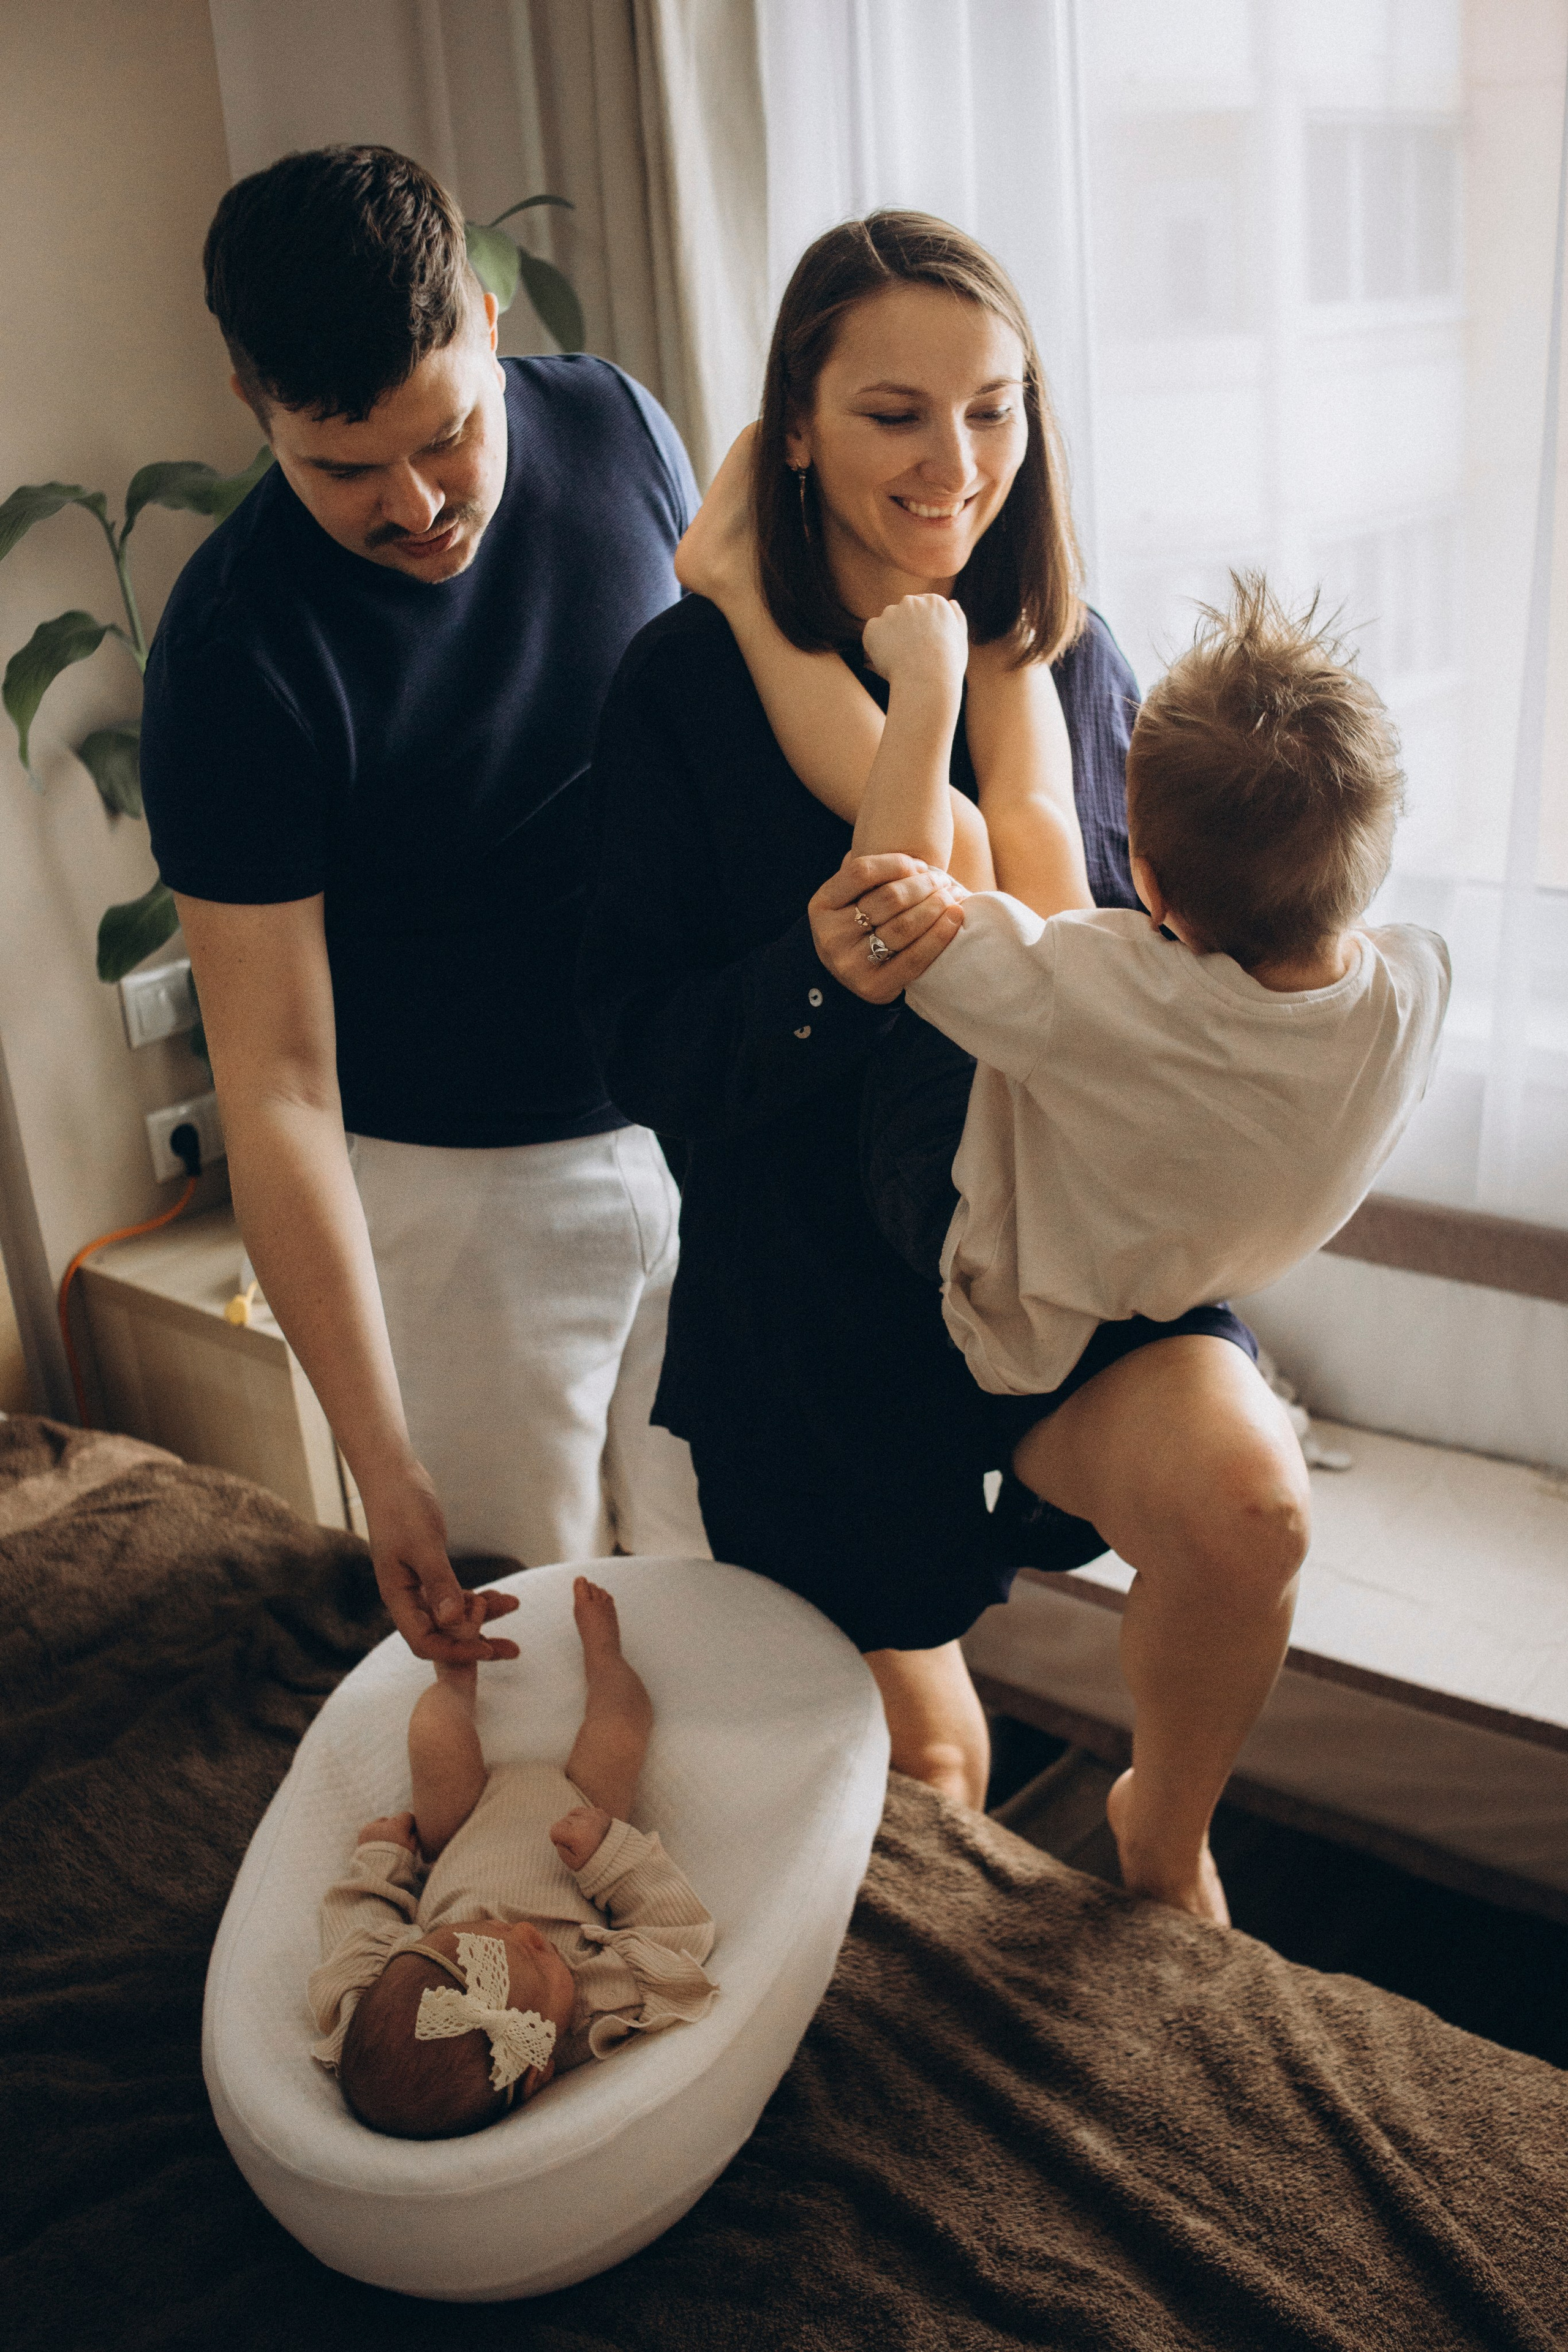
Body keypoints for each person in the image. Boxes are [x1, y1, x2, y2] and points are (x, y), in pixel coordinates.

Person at [580, 211, 1215, 1844]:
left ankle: (1170, 1837)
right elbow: (641, 1049)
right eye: (894, 414)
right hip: (813, 1309)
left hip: (1055, 1246)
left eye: (994, 407)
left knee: (1253, 1500)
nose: (957, 460)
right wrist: (809, 978)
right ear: (796, 421)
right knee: (928, 1773)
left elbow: (1081, 933)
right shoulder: (676, 689)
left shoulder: (1073, 662)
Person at [777, 575, 1449, 1921]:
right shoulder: (1412, 986)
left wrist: (923, 683)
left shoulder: (1110, 997)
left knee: (962, 837)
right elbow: (1151, 983)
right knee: (1018, 855)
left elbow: (882, 911)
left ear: (1145, 885)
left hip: (973, 1227)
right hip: (1143, 1212)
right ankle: (1012, 633)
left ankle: (877, 631)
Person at [139, 146, 709, 1673]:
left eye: (447, 435)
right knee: (526, 1646)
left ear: (482, 310)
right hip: (461, 1204)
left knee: (734, 1600)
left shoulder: (615, 424)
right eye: (344, 469)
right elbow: (273, 1081)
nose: (415, 505)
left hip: (698, 1106)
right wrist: (379, 1450)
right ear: (256, 406)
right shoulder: (233, 654)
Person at [309, 1576, 717, 2139]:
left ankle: (456, 1677)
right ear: (537, 2071)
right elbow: (676, 1933)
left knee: (433, 1732)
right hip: (580, 1807)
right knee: (621, 1728)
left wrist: (381, 1859)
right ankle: (606, 1658)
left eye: (489, 1929)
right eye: (544, 1954)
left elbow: (359, 1936)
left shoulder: (407, 1984)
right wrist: (612, 1857)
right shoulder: (597, 2004)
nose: (524, 1931)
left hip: (458, 1827)